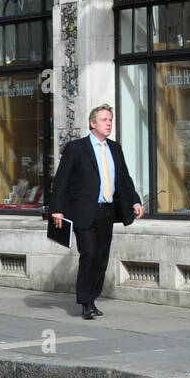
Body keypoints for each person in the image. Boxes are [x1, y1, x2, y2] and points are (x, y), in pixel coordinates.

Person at [49, 104, 143, 319]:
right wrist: (57, 209)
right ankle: (86, 302)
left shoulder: (115, 148)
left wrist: (135, 201)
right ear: (93, 123)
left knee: (101, 257)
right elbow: (62, 179)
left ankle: (92, 297)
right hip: (83, 211)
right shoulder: (76, 148)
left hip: (106, 212)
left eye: (110, 120)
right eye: (104, 120)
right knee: (89, 252)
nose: (109, 123)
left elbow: (124, 178)